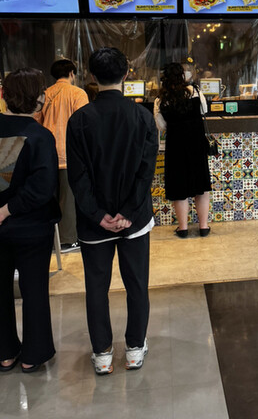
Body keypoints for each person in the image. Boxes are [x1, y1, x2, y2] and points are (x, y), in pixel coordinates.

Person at [66, 48, 157, 376]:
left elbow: (77, 176)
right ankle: (134, 348)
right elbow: (146, 173)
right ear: (127, 74)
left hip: (94, 224)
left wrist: (97, 214)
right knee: (137, 284)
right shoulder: (143, 117)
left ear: (92, 77)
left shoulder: (79, 120)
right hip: (135, 220)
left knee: (96, 288)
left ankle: (102, 353)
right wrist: (129, 213)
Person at [0, 68, 60, 373]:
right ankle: (33, 355)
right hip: (32, 227)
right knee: (34, 290)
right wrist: (8, 209)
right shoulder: (40, 136)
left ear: (4, 95)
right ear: (38, 98)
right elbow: (42, 188)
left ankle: (5, 354)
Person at [154, 62, 212, 238]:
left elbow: (161, 126)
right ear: (183, 76)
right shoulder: (196, 92)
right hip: (197, 145)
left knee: (179, 187)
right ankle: (203, 227)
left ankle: (183, 228)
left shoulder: (160, 100)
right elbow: (204, 110)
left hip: (176, 147)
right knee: (201, 186)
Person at [37, 59, 88, 253]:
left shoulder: (45, 94)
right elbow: (83, 123)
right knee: (68, 200)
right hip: (69, 153)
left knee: (49, 199)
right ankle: (68, 241)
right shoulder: (78, 93)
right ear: (72, 73)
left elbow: (37, 122)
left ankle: (50, 239)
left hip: (47, 153)